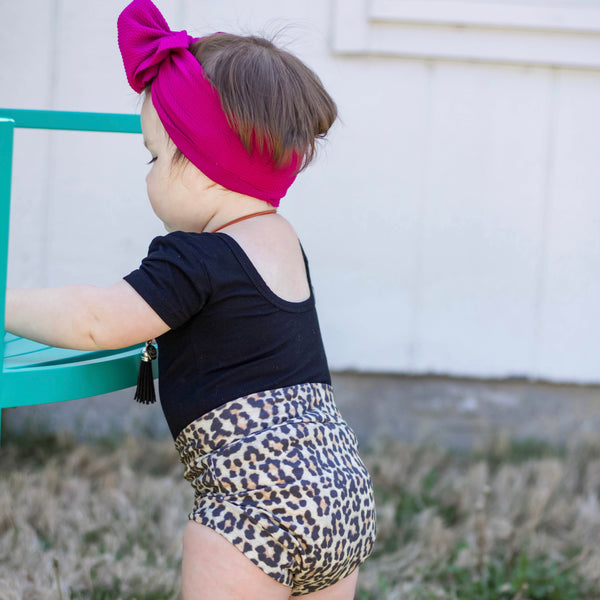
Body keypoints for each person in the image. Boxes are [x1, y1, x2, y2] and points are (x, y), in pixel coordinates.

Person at [5, 0, 376, 598]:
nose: (148, 173)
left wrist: (2, 297)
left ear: (202, 166)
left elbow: (97, 321)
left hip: (255, 508)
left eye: (155, 154)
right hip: (341, 493)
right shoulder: (281, 240)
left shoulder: (194, 257)